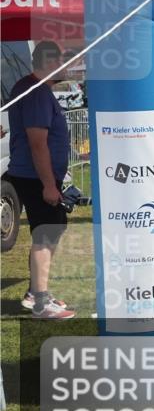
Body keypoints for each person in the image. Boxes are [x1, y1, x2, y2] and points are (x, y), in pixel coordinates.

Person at [6, 41, 76, 318]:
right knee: (46, 233)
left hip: (35, 175)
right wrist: (48, 185)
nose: (67, 66)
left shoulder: (34, 89)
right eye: (63, 61)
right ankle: (40, 300)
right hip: (35, 177)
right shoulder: (35, 92)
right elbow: (38, 143)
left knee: (50, 230)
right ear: (50, 62)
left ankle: (36, 291)